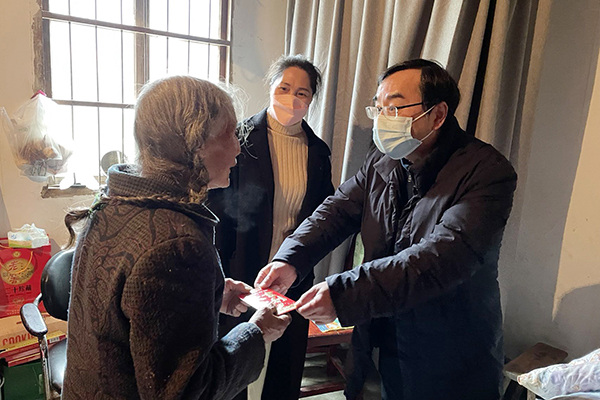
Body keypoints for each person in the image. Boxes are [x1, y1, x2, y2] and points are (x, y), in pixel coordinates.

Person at [255, 59, 518, 400]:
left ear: (437, 115)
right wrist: (290, 258)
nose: (381, 120)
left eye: (393, 108)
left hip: (450, 347)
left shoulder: (486, 171)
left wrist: (343, 293)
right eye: (378, 109)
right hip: (383, 332)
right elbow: (336, 211)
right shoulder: (383, 160)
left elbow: (442, 258)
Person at [62, 76, 291, 400]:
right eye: (229, 134)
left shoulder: (113, 203)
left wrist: (211, 296)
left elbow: (129, 310)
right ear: (195, 145)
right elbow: (187, 391)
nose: (238, 148)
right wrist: (256, 332)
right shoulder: (176, 245)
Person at [208, 55, 334, 400]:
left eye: (302, 93)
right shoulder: (239, 138)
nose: (292, 98)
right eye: (285, 88)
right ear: (271, 87)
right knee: (233, 362)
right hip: (240, 268)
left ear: (311, 99)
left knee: (284, 362)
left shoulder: (318, 152)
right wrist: (217, 271)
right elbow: (216, 207)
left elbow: (323, 215)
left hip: (292, 275)